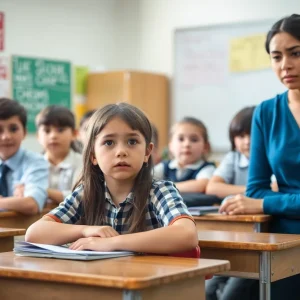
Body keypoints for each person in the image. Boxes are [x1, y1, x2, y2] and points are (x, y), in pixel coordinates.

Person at [25, 103, 197, 254]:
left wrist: (112, 243)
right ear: (93, 155)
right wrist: (86, 231)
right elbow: (34, 233)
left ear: (147, 152)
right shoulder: (87, 192)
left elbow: (187, 234)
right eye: (109, 143)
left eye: (132, 142)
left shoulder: (159, 190)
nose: (121, 151)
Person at [219, 14, 300, 300]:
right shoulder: (266, 112)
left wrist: (266, 202)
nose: (285, 65)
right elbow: (255, 187)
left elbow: (258, 197)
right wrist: (268, 201)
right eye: (276, 57)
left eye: (295, 53)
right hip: (286, 240)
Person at [0, 98, 48, 214]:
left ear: (25, 132)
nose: (6, 136)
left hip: (22, 230)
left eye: (13, 129)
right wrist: (15, 202)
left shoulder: (36, 162)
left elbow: (32, 204)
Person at [35, 105, 83, 205]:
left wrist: (44, 191)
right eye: (47, 131)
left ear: (74, 134)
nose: (53, 136)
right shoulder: (34, 164)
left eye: (60, 130)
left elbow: (80, 196)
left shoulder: (82, 162)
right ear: (38, 136)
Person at [154, 117, 215, 193]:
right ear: (171, 146)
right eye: (181, 139)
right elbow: (146, 180)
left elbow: (202, 185)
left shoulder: (207, 168)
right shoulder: (164, 167)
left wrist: (165, 187)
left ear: (205, 147)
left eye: (194, 140)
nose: (187, 144)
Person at [206, 106, 255, 199]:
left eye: (253, 135)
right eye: (241, 136)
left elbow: (275, 188)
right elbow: (212, 188)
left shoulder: (274, 158)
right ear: (233, 139)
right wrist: (253, 190)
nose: (247, 142)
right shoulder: (233, 157)